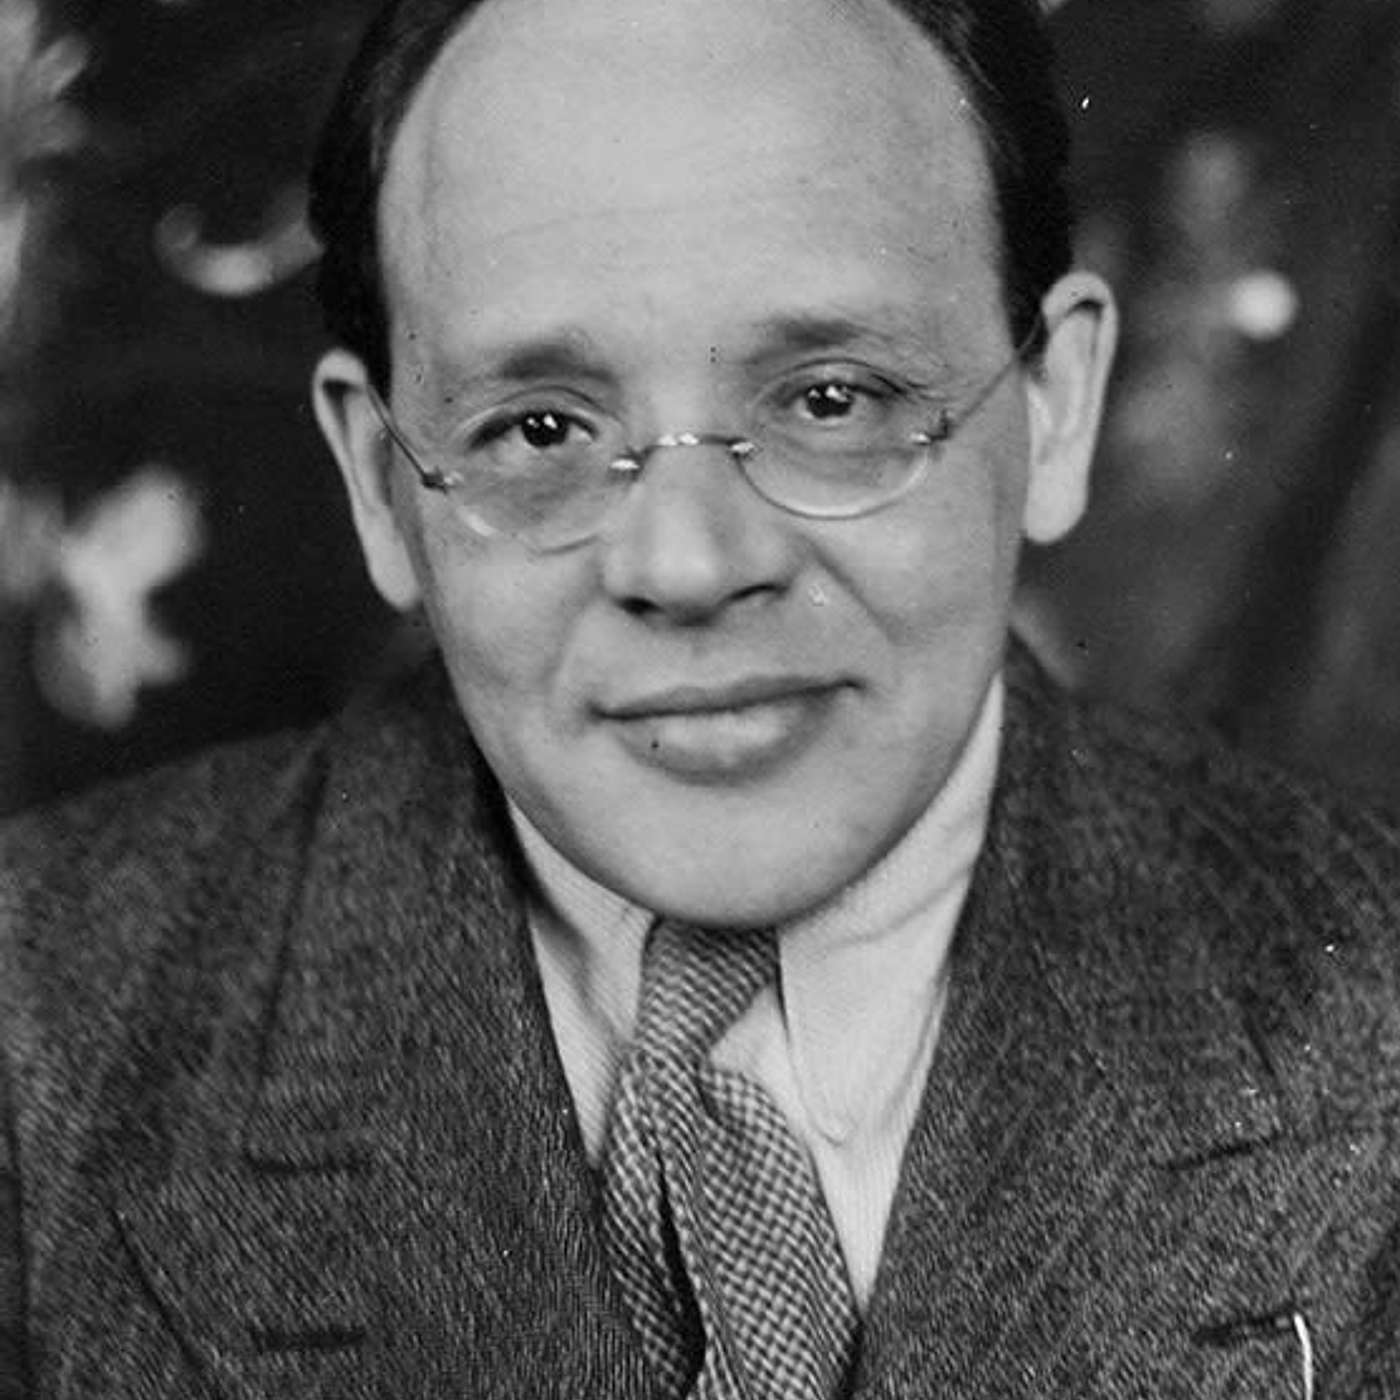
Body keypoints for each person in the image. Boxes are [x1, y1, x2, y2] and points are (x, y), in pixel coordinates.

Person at [4, 0, 1400, 1394]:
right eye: (540, 428)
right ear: (381, 483)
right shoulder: (36, 1037)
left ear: (1057, 404)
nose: (688, 564)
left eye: (832, 400)